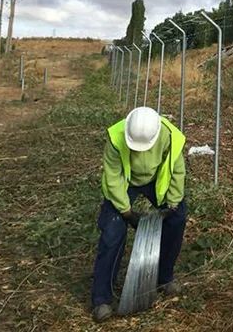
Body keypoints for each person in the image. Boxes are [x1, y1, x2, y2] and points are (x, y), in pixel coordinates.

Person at [91, 106, 187, 323]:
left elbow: (177, 171)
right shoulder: (116, 138)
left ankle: (164, 277)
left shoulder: (169, 136)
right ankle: (101, 299)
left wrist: (172, 205)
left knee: (178, 219)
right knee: (112, 232)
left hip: (154, 180)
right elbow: (113, 177)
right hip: (126, 182)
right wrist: (126, 212)